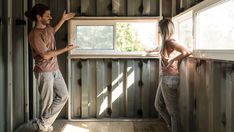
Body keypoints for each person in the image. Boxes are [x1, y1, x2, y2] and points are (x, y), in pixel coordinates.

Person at [25, 4, 77, 131]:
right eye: (47, 15)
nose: (51, 17)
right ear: (38, 17)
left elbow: (52, 32)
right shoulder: (34, 35)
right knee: (47, 103)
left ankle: (42, 124)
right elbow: (45, 55)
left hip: (55, 69)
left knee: (64, 95)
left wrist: (63, 19)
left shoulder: (47, 28)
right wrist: (65, 49)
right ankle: (44, 127)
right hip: (44, 72)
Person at [149, 19, 191, 132]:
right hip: (165, 78)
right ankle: (171, 127)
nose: (158, 31)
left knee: (173, 112)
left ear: (164, 30)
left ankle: (174, 129)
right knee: (158, 105)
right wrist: (150, 50)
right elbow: (161, 49)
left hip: (170, 79)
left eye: (159, 29)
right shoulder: (166, 42)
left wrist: (172, 60)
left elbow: (187, 51)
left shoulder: (170, 41)